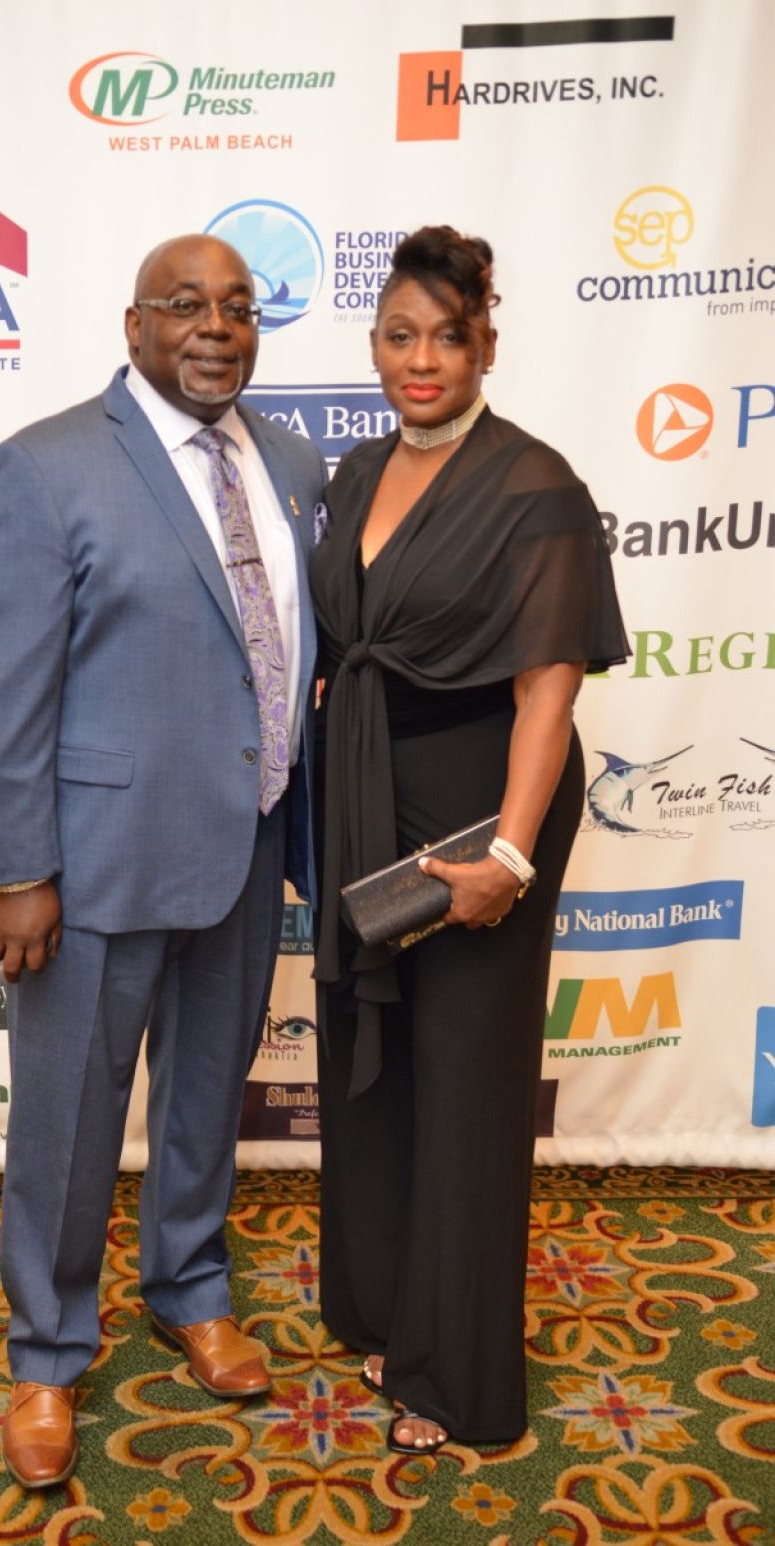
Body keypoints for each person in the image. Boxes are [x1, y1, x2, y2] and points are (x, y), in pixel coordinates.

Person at [0, 234, 326, 1488]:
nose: (216, 326)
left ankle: (191, 1285)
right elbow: (4, 686)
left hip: (246, 840)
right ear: (134, 326)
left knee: (205, 1094)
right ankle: (48, 1352)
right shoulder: (45, 465)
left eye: (238, 306)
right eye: (185, 304)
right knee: (67, 1120)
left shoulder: (289, 460)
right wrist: (19, 870)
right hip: (93, 862)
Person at [309, 226, 628, 1456]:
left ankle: (458, 1376)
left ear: (485, 342)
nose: (422, 359)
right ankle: (391, 1313)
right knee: (374, 1061)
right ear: (373, 344)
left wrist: (509, 856)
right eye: (400, 335)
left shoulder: (534, 484)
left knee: (466, 1081)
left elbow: (548, 692)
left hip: (485, 809)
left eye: (448, 335)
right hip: (366, 802)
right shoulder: (352, 473)